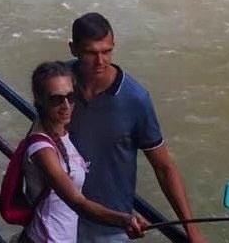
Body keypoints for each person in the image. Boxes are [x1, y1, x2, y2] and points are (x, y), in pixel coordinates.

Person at [68, 12, 206, 243]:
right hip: (60, 212)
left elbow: (164, 168)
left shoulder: (135, 99)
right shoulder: (60, 84)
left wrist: (192, 232)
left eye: (107, 51)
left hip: (108, 225)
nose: (100, 61)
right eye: (91, 52)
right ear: (73, 49)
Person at [19, 62, 147, 243]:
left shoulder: (62, 133)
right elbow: (77, 202)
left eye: (71, 97)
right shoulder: (42, 149)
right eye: (56, 99)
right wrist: (123, 219)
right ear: (40, 100)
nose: (66, 105)